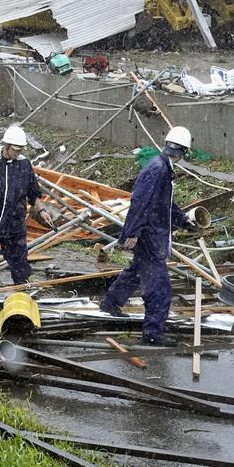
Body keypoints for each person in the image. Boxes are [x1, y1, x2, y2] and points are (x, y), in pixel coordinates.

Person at [100, 126, 197, 346]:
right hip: (150, 236)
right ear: (182, 151)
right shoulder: (159, 170)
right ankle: (153, 334)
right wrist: (132, 232)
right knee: (159, 287)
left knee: (136, 271)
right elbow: (140, 201)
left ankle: (110, 303)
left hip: (151, 234)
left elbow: (164, 202)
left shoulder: (162, 167)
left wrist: (182, 218)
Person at [0, 125, 54, 284]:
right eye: (15, 150)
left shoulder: (24, 165)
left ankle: (22, 287)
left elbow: (33, 193)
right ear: (6, 146)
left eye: (20, 150)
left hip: (14, 221)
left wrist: (42, 210)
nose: (18, 153)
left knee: (19, 257)